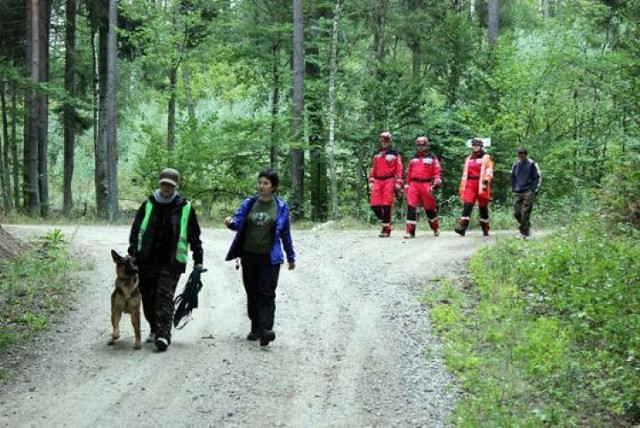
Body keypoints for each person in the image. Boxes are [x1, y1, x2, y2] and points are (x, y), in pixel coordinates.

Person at [128, 168, 204, 352]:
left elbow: (194, 235)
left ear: (176, 186)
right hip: (147, 260)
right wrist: (132, 253)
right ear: (160, 184)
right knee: (148, 297)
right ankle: (154, 328)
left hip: (171, 261)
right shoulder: (148, 204)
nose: (166, 188)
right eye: (164, 184)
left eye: (170, 185)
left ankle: (163, 335)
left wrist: (198, 259)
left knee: (165, 297)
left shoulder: (184, 207)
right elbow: (136, 230)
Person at [224, 169, 296, 347]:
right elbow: (238, 222)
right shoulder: (249, 203)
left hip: (270, 257)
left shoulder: (280, 207)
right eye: (260, 182)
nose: (261, 186)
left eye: (266, 183)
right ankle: (255, 326)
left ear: (273, 187)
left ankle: (266, 330)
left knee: (267, 293)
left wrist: (291, 256)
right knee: (252, 292)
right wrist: (231, 223)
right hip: (249, 255)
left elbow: (285, 233)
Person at [403, 136, 442, 238]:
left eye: (422, 145)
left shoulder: (432, 158)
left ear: (426, 145)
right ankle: (410, 231)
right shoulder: (413, 158)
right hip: (414, 184)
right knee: (411, 207)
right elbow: (409, 174)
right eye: (418, 145)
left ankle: (435, 227)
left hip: (426, 185)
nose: (420, 147)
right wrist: (407, 185)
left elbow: (436, 172)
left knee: (429, 208)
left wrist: (437, 181)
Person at [454, 137, 494, 237]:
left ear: (481, 146)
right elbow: (465, 174)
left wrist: (487, 179)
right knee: (467, 205)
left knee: (483, 207)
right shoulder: (469, 159)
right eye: (474, 145)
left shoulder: (486, 157)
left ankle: (485, 228)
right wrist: (462, 186)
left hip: (482, 183)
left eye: (477, 145)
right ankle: (462, 227)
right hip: (470, 184)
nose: (475, 147)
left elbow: (489, 169)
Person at [368, 131, 404, 237]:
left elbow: (399, 169)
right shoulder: (377, 154)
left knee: (387, 205)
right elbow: (373, 169)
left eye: (386, 141)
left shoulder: (395, 154)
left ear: (390, 142)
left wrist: (398, 182)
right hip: (378, 181)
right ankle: (385, 219)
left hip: (389, 180)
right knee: (375, 205)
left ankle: (386, 229)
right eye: (383, 141)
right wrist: (371, 180)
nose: (384, 143)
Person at [511, 147, 541, 239]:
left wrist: (533, 189)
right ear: (518, 156)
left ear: (526, 155)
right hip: (518, 191)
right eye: (520, 156)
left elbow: (538, 177)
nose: (521, 158)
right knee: (516, 212)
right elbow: (512, 177)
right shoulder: (515, 165)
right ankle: (526, 227)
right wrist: (514, 187)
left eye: (523, 156)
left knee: (525, 213)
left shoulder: (532, 164)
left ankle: (523, 233)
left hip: (528, 191)